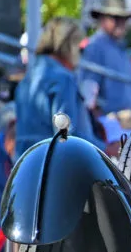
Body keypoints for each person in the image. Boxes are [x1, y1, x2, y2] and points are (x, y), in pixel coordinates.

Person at [14, 17, 104, 154]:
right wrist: (105, 149)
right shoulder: (62, 78)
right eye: (80, 48)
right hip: (53, 169)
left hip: (27, 167)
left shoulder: (27, 79)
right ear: (69, 45)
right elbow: (67, 138)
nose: (81, 54)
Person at [78, 0, 131, 119]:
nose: (121, 23)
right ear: (102, 19)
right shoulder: (95, 46)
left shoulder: (120, 47)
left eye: (124, 19)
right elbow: (88, 93)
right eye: (115, 18)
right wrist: (104, 124)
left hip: (125, 124)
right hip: (108, 126)